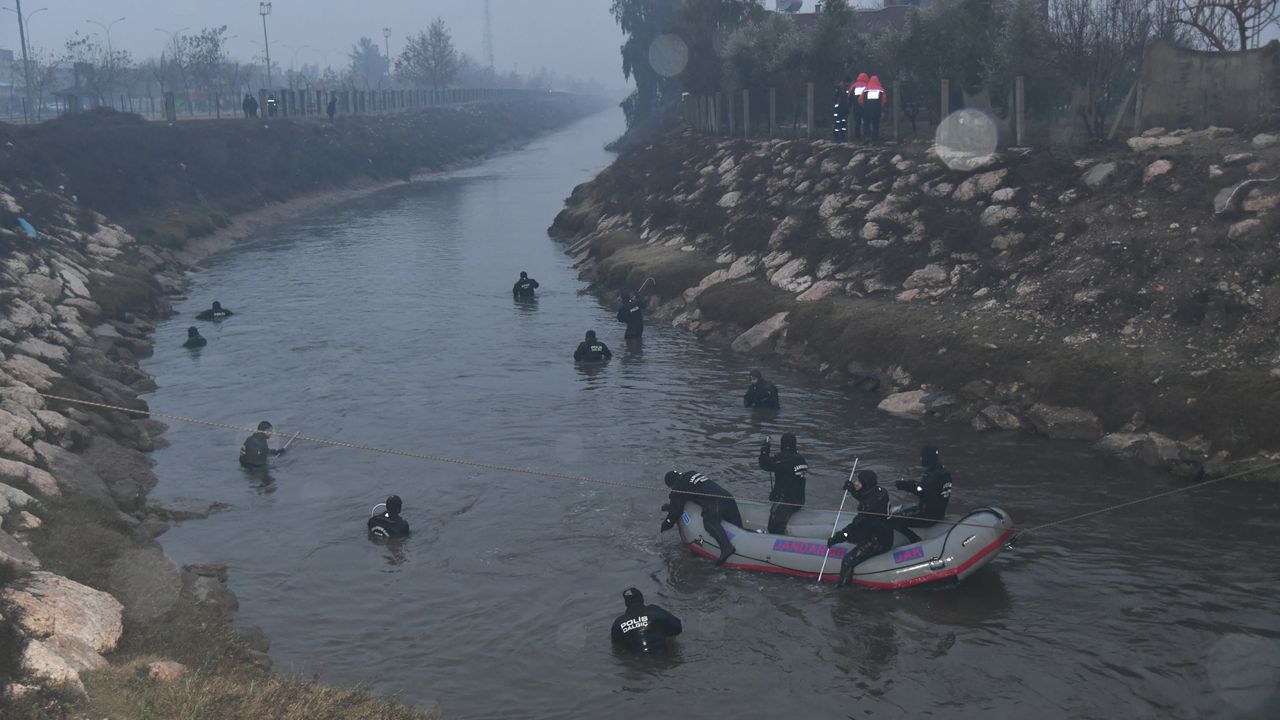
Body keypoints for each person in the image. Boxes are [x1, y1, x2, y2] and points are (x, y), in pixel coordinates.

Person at [660, 470, 742, 566]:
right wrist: (669, 507)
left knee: (710, 522)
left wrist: (664, 525)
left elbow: (676, 512)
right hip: (728, 498)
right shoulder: (691, 474)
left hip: (716, 501)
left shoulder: (679, 487)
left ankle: (726, 547)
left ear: (671, 484)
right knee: (739, 528)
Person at [827, 469, 893, 588]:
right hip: (883, 532)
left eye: (859, 482)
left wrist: (838, 537)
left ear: (866, 485)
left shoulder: (867, 509)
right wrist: (853, 490)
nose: (856, 483)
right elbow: (868, 497)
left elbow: (854, 527)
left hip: (877, 540)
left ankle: (842, 590)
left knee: (847, 561)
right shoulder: (882, 492)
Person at [892, 445, 953, 542]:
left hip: (928, 515)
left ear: (927, 459)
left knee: (895, 520)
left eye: (922, 457)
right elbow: (926, 488)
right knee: (900, 512)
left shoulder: (934, 475)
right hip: (936, 512)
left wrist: (905, 486)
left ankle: (915, 540)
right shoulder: (942, 473)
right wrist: (910, 483)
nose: (920, 459)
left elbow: (922, 490)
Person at [758, 433, 807, 534]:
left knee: (774, 523)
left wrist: (764, 450)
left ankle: (776, 541)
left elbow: (765, 464)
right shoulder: (801, 459)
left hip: (786, 502)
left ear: (782, 444)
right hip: (799, 500)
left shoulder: (783, 459)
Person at [610, 587, 682, 654]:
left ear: (626, 603)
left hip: (635, 662)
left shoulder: (619, 622)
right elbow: (678, 627)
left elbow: (616, 647)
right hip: (661, 658)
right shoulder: (654, 610)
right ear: (642, 599)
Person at [862, 75, 886, 143]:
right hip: (876, 110)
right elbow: (884, 100)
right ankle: (875, 138)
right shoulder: (881, 90)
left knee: (867, 124)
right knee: (875, 124)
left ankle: (867, 137)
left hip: (867, 110)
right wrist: (880, 107)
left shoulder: (866, 89)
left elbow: (860, 99)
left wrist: (864, 106)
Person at [850, 73, 869, 141]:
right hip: (865, 107)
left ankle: (857, 137)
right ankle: (866, 136)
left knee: (857, 122)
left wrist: (849, 106)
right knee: (866, 122)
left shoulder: (854, 86)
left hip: (856, 107)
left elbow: (850, 96)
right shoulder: (867, 86)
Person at [831, 77, 851, 142]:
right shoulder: (839, 88)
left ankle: (842, 137)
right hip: (839, 109)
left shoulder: (846, 89)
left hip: (843, 109)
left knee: (843, 124)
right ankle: (836, 137)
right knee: (837, 123)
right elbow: (835, 99)